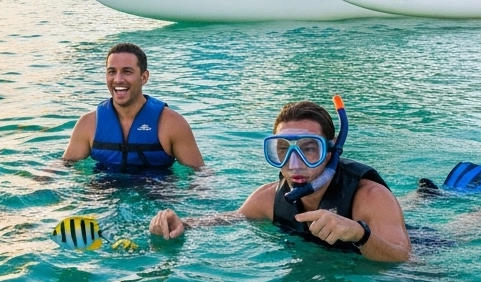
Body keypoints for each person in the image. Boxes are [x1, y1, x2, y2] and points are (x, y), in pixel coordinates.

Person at [147, 100, 411, 263]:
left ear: (329, 152)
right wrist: (184, 224)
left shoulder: (369, 197)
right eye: (283, 149)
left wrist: (358, 233)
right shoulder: (268, 198)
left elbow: (403, 258)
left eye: (309, 149)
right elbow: (231, 218)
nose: (294, 164)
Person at [61, 43, 204, 171]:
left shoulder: (172, 124)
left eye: (127, 71)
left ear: (144, 77)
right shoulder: (88, 124)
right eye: (112, 71)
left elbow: (200, 175)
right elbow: (64, 165)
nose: (118, 79)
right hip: (104, 195)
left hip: (155, 193)